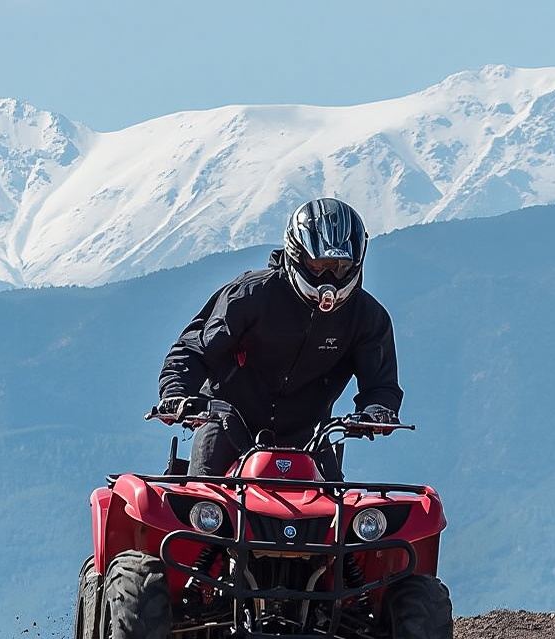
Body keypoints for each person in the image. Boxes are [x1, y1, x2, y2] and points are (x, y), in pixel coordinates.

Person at [157, 198, 402, 478]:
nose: (329, 277)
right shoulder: (249, 296)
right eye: (318, 264)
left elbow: (381, 384)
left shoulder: (368, 317)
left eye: (340, 267)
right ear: (296, 254)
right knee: (202, 508)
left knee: (342, 514)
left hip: (311, 435)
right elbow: (193, 349)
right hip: (226, 426)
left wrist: (378, 411)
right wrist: (176, 394)